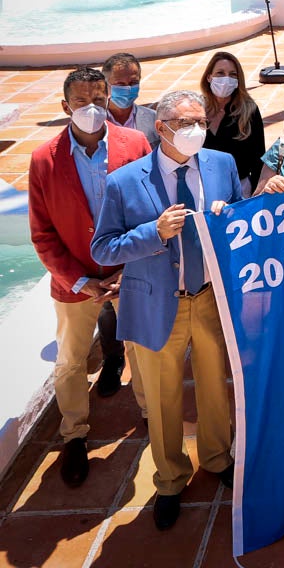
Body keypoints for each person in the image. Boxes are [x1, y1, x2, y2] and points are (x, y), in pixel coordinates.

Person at [91, 90, 241, 531]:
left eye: (200, 121)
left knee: (216, 386)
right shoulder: (124, 181)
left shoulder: (222, 165)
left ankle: (216, 458)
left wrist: (228, 216)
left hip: (210, 298)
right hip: (159, 305)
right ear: (161, 128)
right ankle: (171, 479)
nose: (196, 130)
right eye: (185, 123)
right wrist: (153, 233)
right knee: (163, 398)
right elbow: (103, 247)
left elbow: (239, 218)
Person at [28, 68, 151, 488]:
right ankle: (75, 434)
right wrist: (82, 282)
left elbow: (149, 212)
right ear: (66, 108)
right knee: (70, 360)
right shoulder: (44, 159)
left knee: (142, 350)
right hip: (74, 284)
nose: (93, 109)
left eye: (99, 100)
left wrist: (128, 268)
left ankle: (153, 415)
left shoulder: (134, 144)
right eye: (83, 103)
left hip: (129, 274)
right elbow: (42, 234)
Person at [200, 51, 265, 197]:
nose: (226, 79)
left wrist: (255, 195)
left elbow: (258, 157)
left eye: (232, 75)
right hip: (203, 187)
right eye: (220, 73)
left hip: (239, 187)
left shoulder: (249, 111)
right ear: (209, 77)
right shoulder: (197, 110)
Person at [102, 52, 159, 147]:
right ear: (105, 85)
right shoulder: (95, 120)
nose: (128, 88)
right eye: (120, 84)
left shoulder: (154, 119)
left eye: (133, 82)